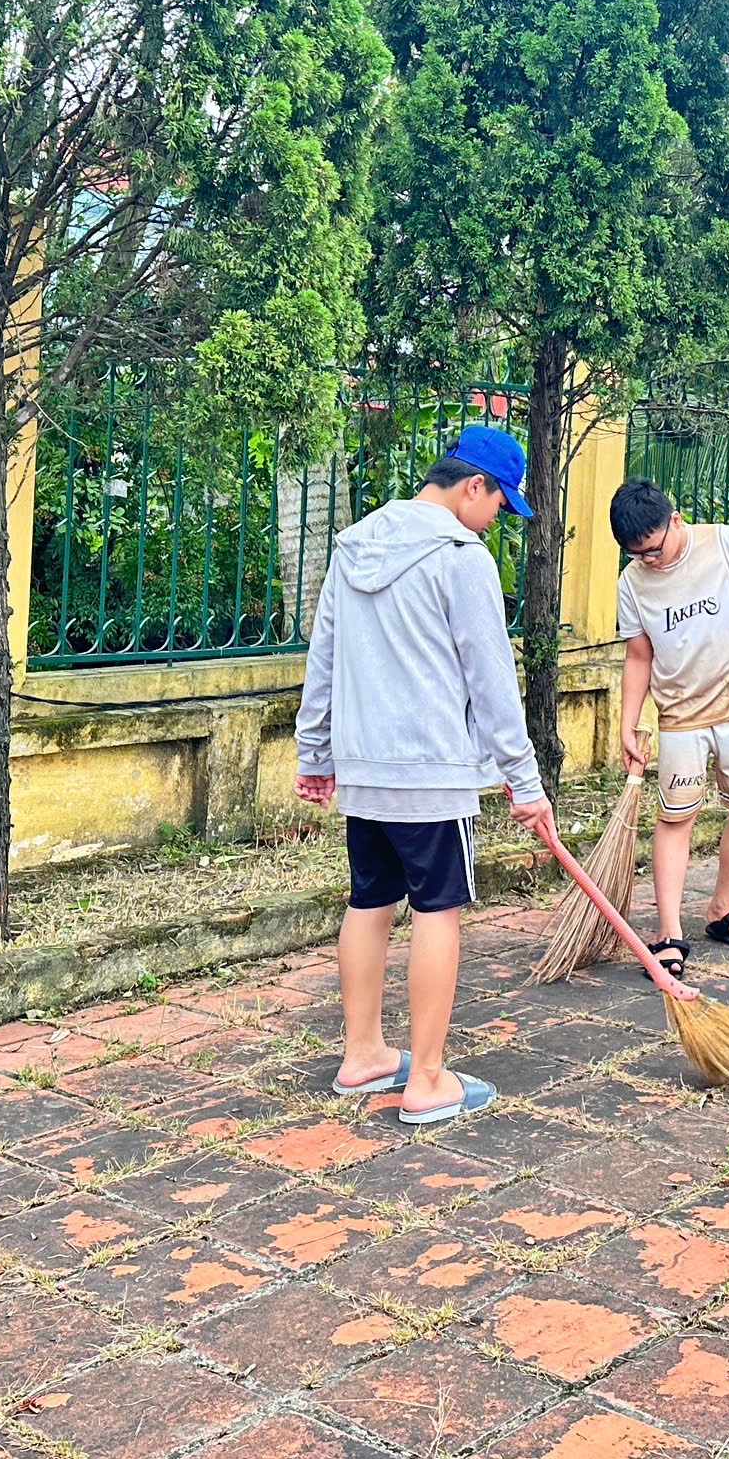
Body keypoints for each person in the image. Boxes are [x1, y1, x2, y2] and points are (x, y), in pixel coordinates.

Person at [295, 423, 554, 1125]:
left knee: (370, 902)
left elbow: (324, 660)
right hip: (433, 773)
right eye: (499, 504)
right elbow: (491, 679)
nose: (496, 518)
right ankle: (428, 1079)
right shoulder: (461, 559)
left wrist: (315, 754)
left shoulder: (353, 546)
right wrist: (525, 781)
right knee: (438, 911)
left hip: (364, 768)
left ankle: (364, 1055)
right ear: (475, 485)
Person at [610, 478, 729, 977]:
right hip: (680, 718)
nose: (648, 560)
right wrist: (627, 722)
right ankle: (669, 933)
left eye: (653, 549)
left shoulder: (726, 543)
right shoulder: (632, 583)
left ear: (675, 520)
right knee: (675, 819)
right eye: (636, 554)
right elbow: (638, 656)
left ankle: (723, 909)